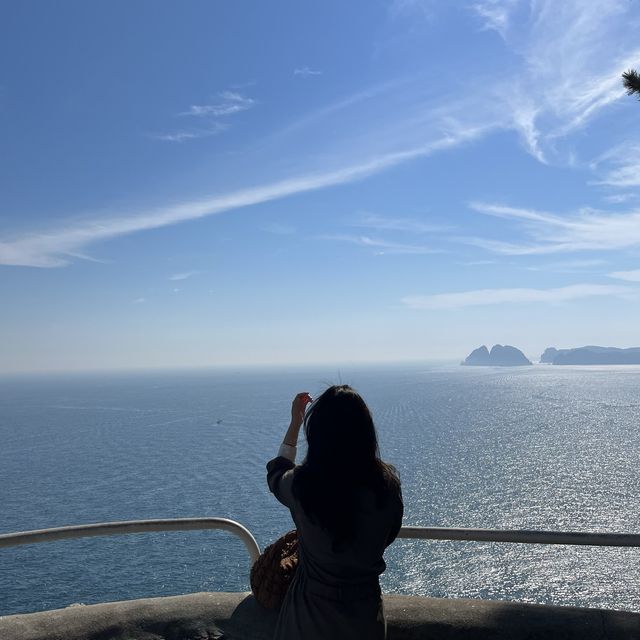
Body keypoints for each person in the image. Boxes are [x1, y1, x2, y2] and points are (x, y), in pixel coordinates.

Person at [266, 385, 403, 640]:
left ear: (318, 434)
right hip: (365, 618)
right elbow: (390, 533)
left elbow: (276, 474)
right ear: (365, 432)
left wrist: (295, 422)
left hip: (306, 621)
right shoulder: (386, 486)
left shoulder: (302, 485)